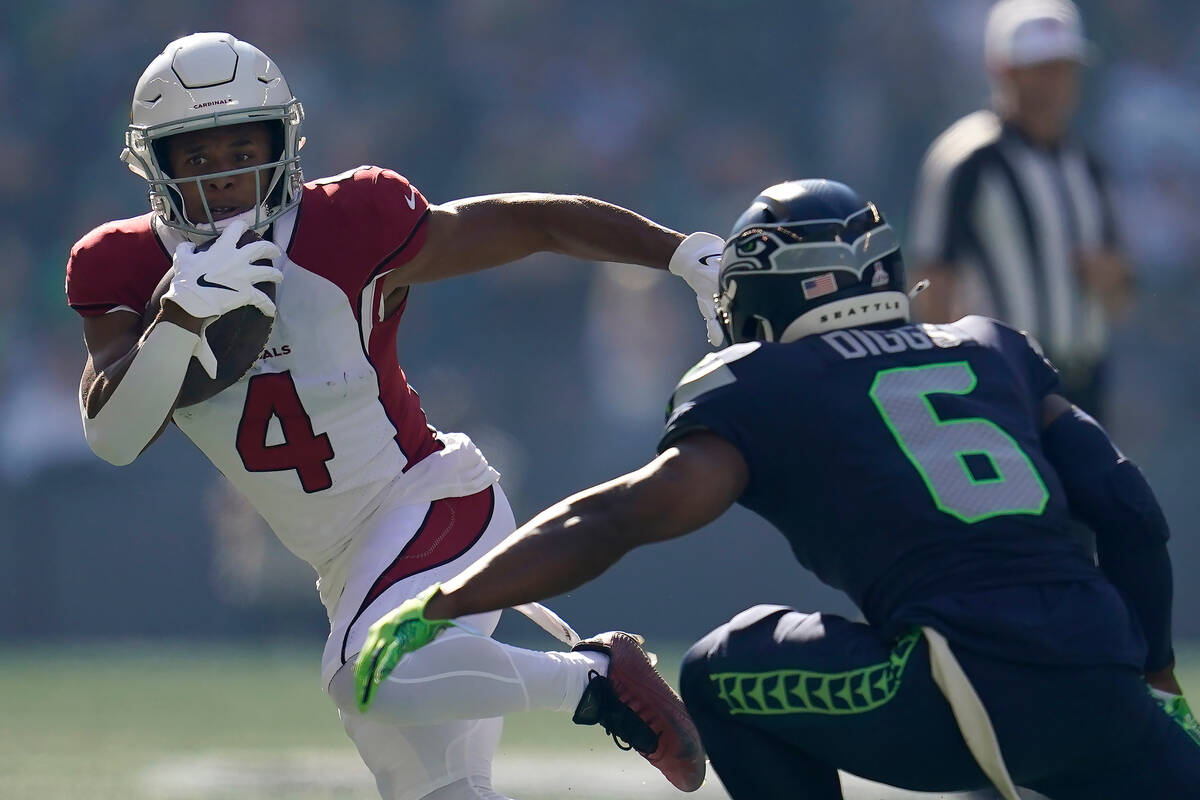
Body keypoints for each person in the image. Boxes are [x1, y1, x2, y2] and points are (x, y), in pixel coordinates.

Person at [362, 179, 1200, 799]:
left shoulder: (765, 380)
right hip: (1108, 677)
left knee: (725, 667)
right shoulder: (989, 345)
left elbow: (616, 518)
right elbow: (1127, 507)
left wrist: (446, 599)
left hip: (959, 688)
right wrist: (1156, 673)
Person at [66, 32, 723, 800]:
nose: (226, 179)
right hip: (344, 564)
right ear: (156, 165)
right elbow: (111, 438)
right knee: (442, 791)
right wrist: (175, 322)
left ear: (283, 141)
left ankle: (596, 680)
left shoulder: (351, 222)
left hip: (432, 502)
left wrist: (678, 253)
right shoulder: (126, 266)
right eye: (198, 158)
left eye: (243, 148)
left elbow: (533, 223)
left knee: (367, 671)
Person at [908, 0, 1132, 420]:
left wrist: (1110, 275)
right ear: (1004, 70)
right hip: (1002, 380)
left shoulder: (1086, 165)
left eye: (1064, 68)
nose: (1056, 84)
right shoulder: (967, 159)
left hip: (1084, 381)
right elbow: (932, 281)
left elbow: (1120, 294)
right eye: (1042, 68)